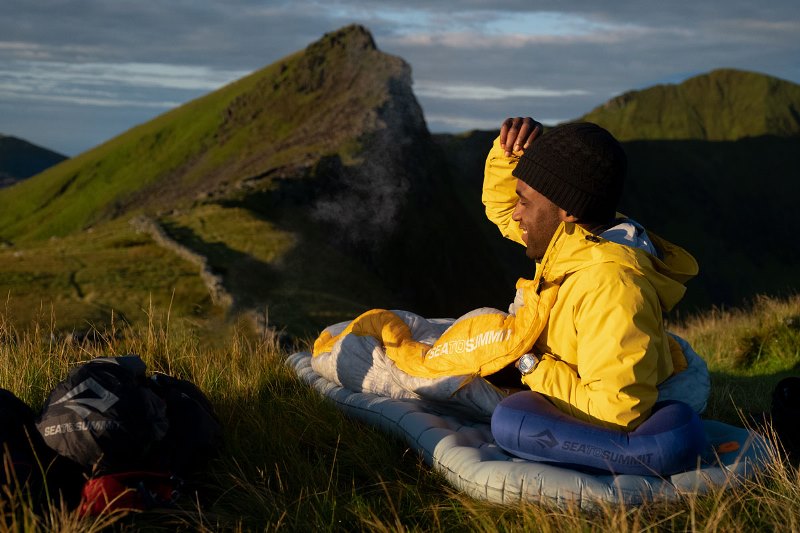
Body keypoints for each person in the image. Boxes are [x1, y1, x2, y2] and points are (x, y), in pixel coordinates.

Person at [482, 117, 703, 430]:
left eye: (525, 201)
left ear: (569, 212)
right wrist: (512, 154)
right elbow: (503, 212)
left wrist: (527, 363)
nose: (516, 213)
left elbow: (616, 413)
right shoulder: (573, 235)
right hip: (567, 368)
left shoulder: (613, 289)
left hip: (566, 385)